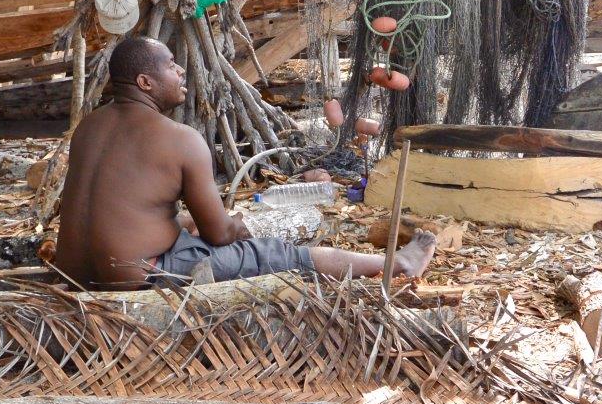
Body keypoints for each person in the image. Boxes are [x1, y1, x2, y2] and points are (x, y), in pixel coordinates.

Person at [54, 36, 437, 290]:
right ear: (145, 82)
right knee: (278, 253)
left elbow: (129, 207)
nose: (181, 70)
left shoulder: (89, 128)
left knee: (190, 227)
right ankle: (396, 264)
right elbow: (220, 235)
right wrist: (236, 227)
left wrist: (186, 223)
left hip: (75, 274)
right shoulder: (179, 139)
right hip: (142, 276)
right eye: (171, 65)